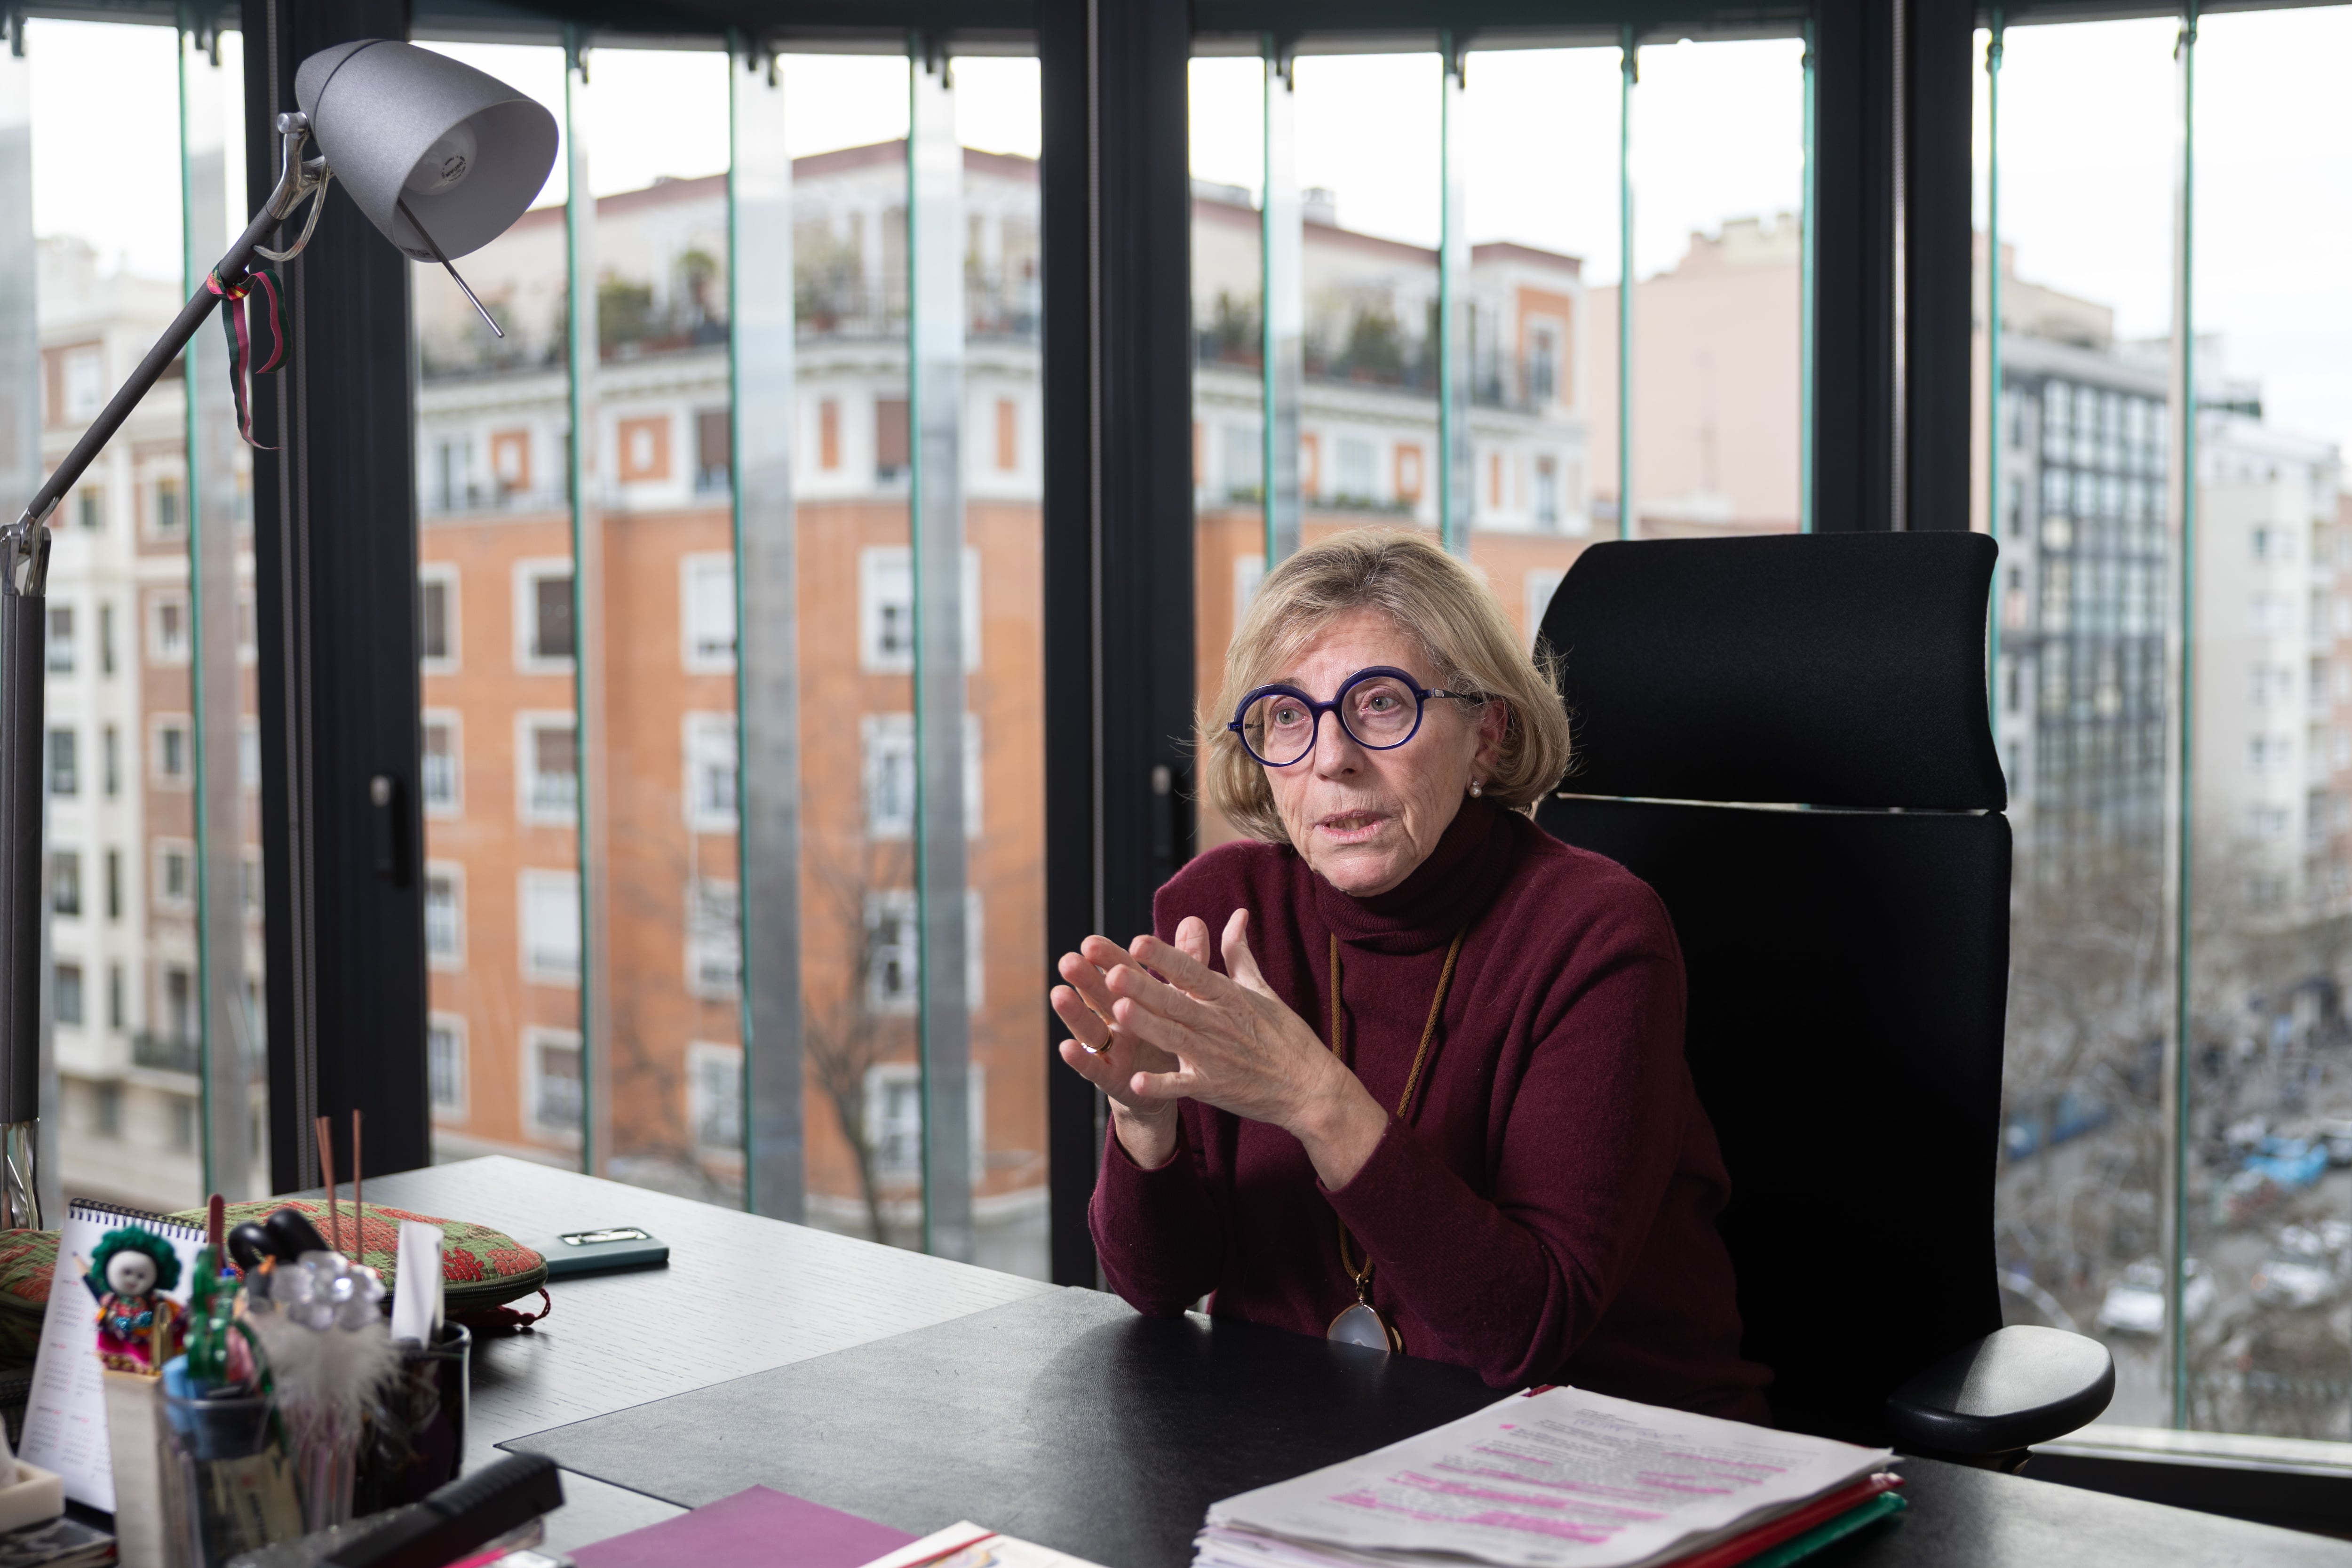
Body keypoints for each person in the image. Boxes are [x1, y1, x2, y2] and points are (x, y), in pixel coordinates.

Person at [1053, 529, 1771, 1420]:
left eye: (1381, 704)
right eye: (1287, 715)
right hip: (1310, 1449)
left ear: (1487, 734)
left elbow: (1528, 1328)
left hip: (1607, 1450)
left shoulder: (1596, 933)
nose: (1331, 758)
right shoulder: (1219, 908)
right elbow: (1156, 1287)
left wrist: (1314, 1097)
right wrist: (1143, 1126)